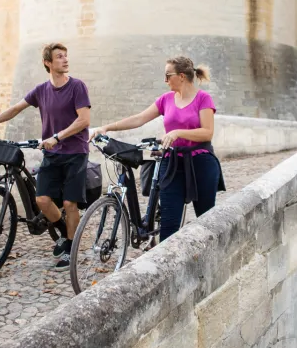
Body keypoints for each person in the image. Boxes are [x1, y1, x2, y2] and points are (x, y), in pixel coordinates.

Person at [0, 43, 91, 271]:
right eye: (59, 57)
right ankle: (64, 234)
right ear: (48, 63)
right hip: (52, 154)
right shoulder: (41, 90)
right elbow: (15, 109)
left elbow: (84, 120)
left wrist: (57, 137)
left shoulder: (77, 86)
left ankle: (71, 247)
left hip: (75, 152)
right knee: (42, 200)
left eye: (66, 56)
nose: (65, 60)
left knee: (70, 203)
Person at [90, 56, 223, 242]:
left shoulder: (203, 98)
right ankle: (169, 260)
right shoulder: (166, 99)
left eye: (168, 75)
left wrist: (178, 133)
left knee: (206, 219)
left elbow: (207, 133)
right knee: (168, 224)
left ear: (181, 76)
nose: (165, 80)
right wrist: (106, 127)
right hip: (172, 163)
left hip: (201, 162)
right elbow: (139, 118)